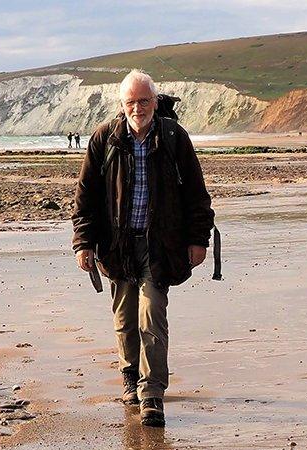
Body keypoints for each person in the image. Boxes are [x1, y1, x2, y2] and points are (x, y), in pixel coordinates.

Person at [71, 69, 215, 427]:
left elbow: (197, 194)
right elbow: (85, 197)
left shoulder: (172, 137)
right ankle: (129, 376)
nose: (139, 108)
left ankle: (152, 395)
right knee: (124, 319)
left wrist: (199, 239)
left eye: (145, 100)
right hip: (117, 246)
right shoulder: (105, 138)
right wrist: (83, 243)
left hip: (159, 244)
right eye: (132, 102)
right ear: (122, 105)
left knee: (152, 316)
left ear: (155, 101)